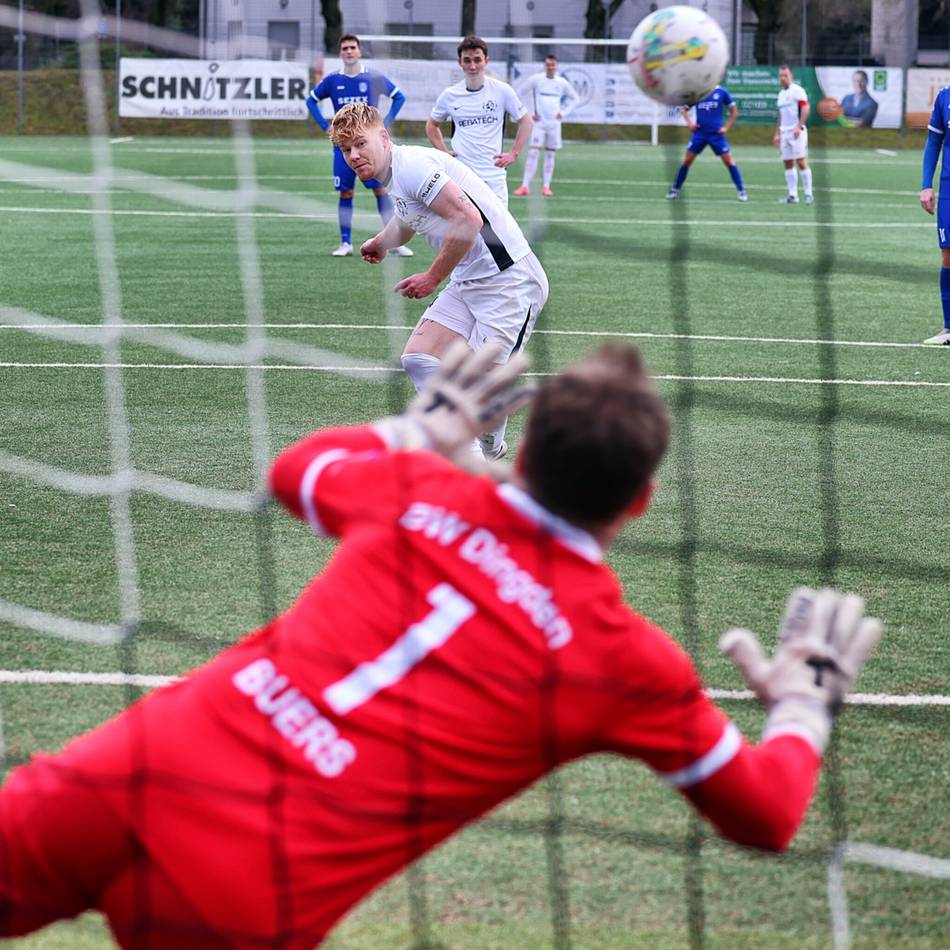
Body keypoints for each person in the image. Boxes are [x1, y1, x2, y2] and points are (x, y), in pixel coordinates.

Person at [0, 341, 883, 948]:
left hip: (125, 774)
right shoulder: (626, 659)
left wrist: (426, 426)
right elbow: (767, 816)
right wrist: (803, 699)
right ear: (639, 504)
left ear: (522, 449)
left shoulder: (416, 487)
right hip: (243, 889)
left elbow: (294, 471)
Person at [333, 101, 547, 462]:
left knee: (481, 394)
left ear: (383, 138)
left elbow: (467, 220)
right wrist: (380, 243)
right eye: (346, 149)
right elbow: (406, 218)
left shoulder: (412, 167)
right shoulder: (395, 175)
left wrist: (432, 277)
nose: (354, 155)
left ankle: (481, 460)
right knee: (418, 358)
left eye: (360, 144)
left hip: (509, 282)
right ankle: (477, 452)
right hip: (469, 280)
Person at [306, 33, 413, 258]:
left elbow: (399, 97)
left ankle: (393, 242)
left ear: (359, 51)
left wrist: (383, 124)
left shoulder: (372, 77)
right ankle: (346, 243)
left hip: (370, 147)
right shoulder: (332, 80)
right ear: (340, 53)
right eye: (345, 48)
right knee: (346, 193)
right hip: (343, 148)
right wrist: (325, 126)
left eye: (352, 47)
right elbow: (311, 101)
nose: (349, 51)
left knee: (381, 190)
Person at [426, 35, 533, 207]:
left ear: (486, 61)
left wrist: (514, 153)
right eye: (467, 60)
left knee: (498, 230)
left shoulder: (502, 91)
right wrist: (444, 152)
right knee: (467, 230)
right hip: (462, 175)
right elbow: (432, 125)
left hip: (494, 174)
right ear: (460, 62)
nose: (472, 66)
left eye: (477, 60)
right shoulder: (450, 95)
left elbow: (526, 122)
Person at [512, 54, 579, 197]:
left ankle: (546, 187)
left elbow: (575, 99)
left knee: (550, 154)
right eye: (548, 64)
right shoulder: (536, 80)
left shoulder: (562, 82)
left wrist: (563, 113)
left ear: (557, 66)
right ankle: (524, 186)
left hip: (554, 124)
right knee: (533, 152)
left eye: (553, 64)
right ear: (545, 65)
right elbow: (518, 94)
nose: (550, 67)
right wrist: (529, 113)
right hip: (539, 124)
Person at [665, 84, 747, 202]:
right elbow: (684, 110)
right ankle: (675, 190)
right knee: (687, 161)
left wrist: (725, 128)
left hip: (716, 135)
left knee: (729, 162)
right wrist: (690, 124)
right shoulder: (698, 93)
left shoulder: (722, 92)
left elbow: (734, 112)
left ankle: (741, 191)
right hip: (700, 134)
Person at [919, 84, 950, 345]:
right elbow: (933, 142)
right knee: (948, 254)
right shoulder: (944, 96)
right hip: (949, 188)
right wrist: (926, 184)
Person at [774, 64, 813, 205]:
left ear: (791, 76)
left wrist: (799, 126)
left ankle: (808, 194)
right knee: (788, 163)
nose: (783, 78)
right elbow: (781, 115)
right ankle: (793, 195)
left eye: (785, 75)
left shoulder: (798, 91)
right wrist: (777, 133)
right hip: (784, 132)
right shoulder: (781, 94)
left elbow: (805, 108)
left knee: (801, 161)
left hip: (797, 132)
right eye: (781, 76)